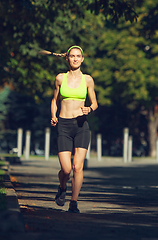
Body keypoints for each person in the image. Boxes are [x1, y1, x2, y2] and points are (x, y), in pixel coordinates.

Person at [50, 45, 98, 213]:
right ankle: (62, 187)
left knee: (78, 166)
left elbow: (95, 103)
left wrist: (89, 109)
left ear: (82, 59)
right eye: (72, 56)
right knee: (66, 169)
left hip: (81, 126)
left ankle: (74, 202)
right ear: (67, 58)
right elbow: (54, 100)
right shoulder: (60, 78)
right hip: (63, 125)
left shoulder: (88, 80)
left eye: (78, 56)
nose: (75, 58)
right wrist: (53, 115)